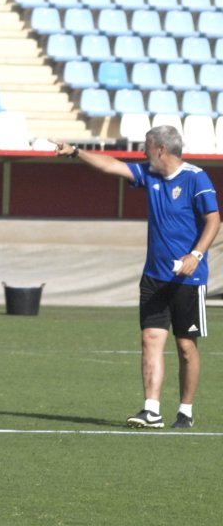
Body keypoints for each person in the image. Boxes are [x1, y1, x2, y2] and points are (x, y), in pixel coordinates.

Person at [50, 129, 219, 429]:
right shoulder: (147, 174)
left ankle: (186, 410)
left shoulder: (196, 178)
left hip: (188, 281)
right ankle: (151, 410)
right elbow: (111, 165)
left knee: (186, 347)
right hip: (154, 276)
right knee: (150, 339)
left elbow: (214, 219)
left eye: (147, 146)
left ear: (161, 150)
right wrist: (75, 152)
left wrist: (196, 256)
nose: (142, 151)